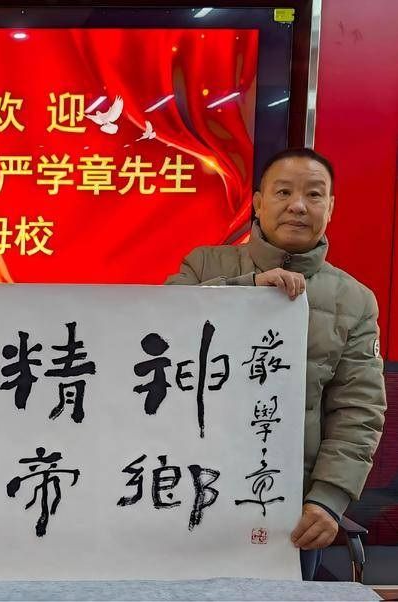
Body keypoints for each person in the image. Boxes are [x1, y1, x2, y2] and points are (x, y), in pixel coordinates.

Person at [166, 147, 386, 579]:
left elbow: (359, 411)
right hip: (185, 488)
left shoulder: (355, 301)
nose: (298, 205)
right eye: (283, 192)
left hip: (287, 512)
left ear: (331, 207)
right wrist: (247, 289)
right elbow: (158, 329)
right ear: (258, 202)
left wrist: (328, 499)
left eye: (314, 194)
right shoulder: (204, 265)